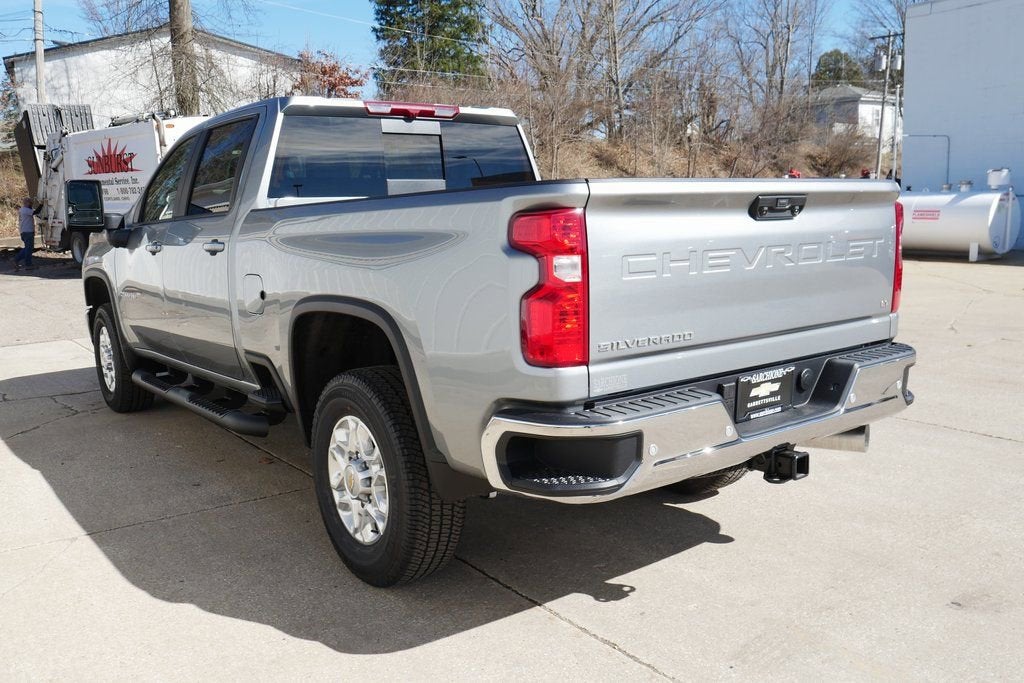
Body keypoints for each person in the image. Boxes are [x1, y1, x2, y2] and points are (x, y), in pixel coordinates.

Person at [14, 198, 36, 271]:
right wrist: (42, 205)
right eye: (30, 203)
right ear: (26, 203)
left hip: (24, 231)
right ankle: (26, 263)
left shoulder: (22, 210)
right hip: (27, 232)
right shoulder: (26, 210)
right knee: (28, 248)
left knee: (28, 248)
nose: (31, 204)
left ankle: (21, 261)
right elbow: (36, 212)